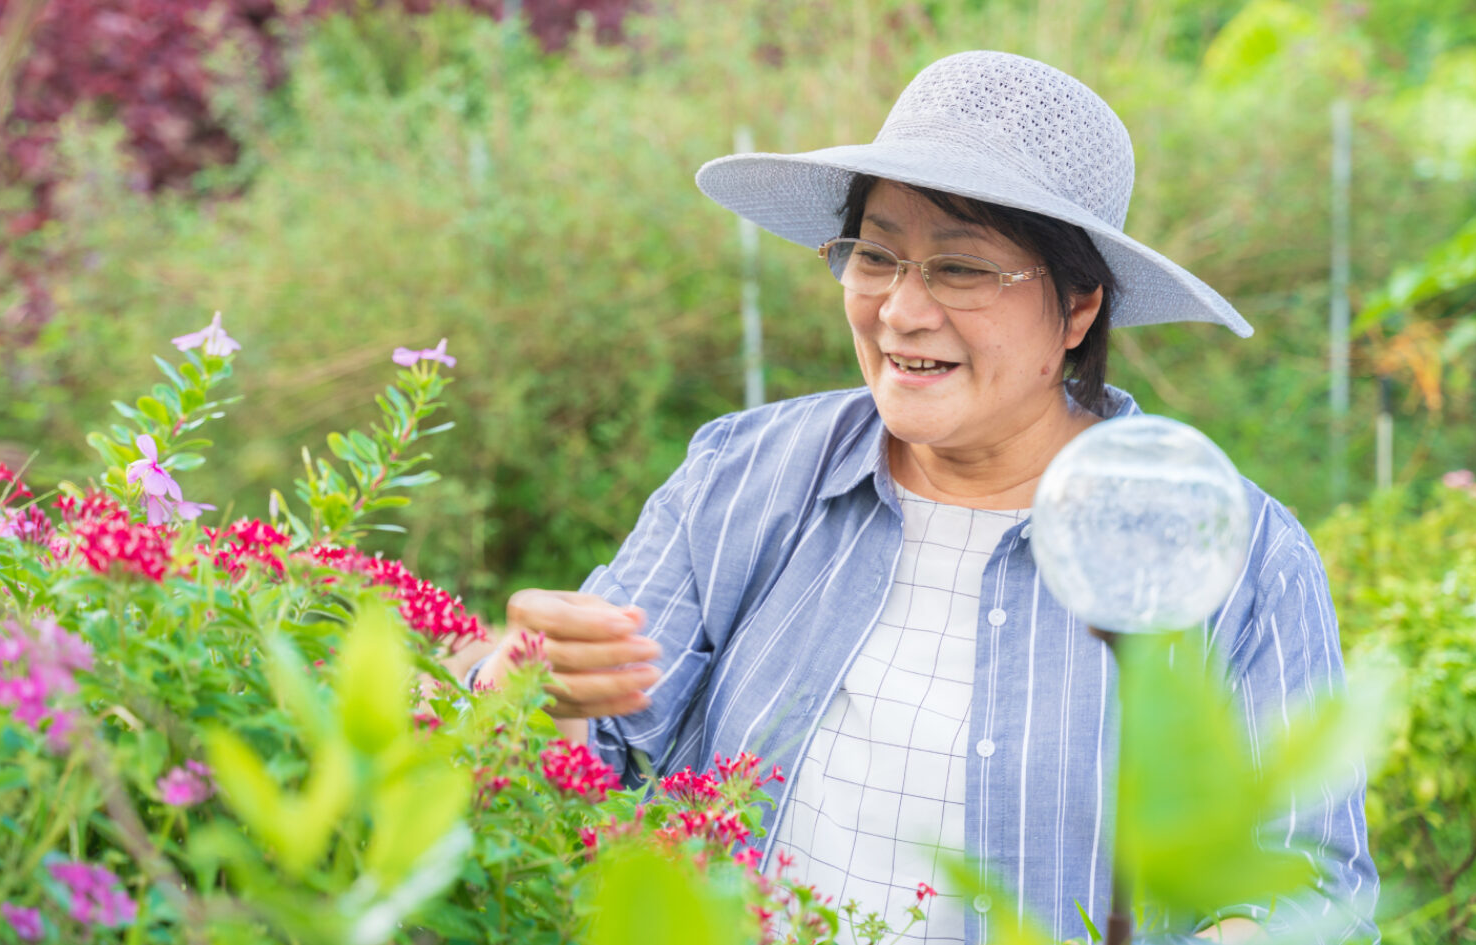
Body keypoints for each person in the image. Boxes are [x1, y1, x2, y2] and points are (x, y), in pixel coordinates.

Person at [465, 51, 1378, 944]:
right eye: (875, 256)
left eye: (962, 268)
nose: (901, 310)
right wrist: (538, 694)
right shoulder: (744, 475)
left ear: (1077, 309)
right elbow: (603, 760)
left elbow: (1308, 885)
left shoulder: (1233, 549)